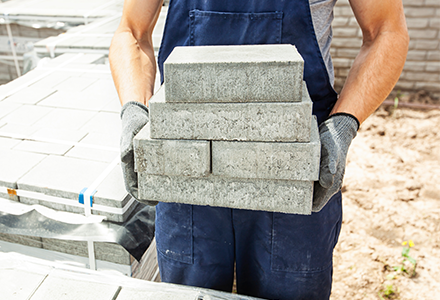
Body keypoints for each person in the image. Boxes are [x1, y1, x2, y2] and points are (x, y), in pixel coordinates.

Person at [109, 0, 408, 299]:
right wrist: (134, 110)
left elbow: (386, 30)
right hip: (186, 168)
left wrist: (343, 124)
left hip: (295, 171)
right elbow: (132, 31)